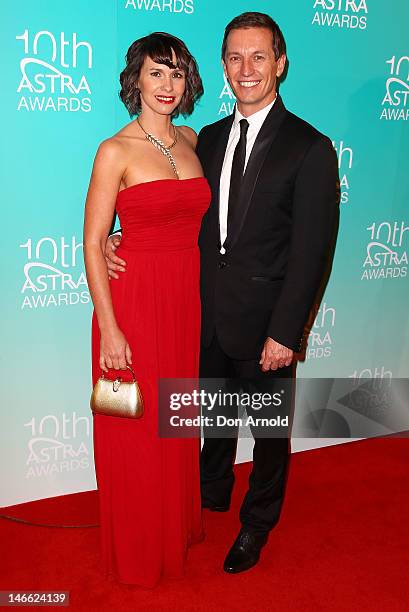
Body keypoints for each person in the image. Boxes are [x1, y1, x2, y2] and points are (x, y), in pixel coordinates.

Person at [106, 12, 339, 575]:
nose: (246, 69)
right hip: (201, 313)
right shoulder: (202, 139)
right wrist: (122, 235)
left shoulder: (310, 147)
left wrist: (287, 332)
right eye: (235, 58)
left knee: (268, 432)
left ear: (280, 63)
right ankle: (209, 498)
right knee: (203, 419)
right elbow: (171, 205)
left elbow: (313, 253)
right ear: (223, 67)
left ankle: (257, 524)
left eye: (258, 57)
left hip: (267, 323)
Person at [83, 32, 210, 587]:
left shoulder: (192, 139)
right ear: (135, 78)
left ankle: (173, 527)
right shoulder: (114, 149)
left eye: (178, 74)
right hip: (133, 304)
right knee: (137, 429)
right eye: (157, 72)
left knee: (176, 417)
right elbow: (92, 242)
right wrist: (110, 328)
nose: (167, 84)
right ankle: (138, 550)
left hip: (184, 298)